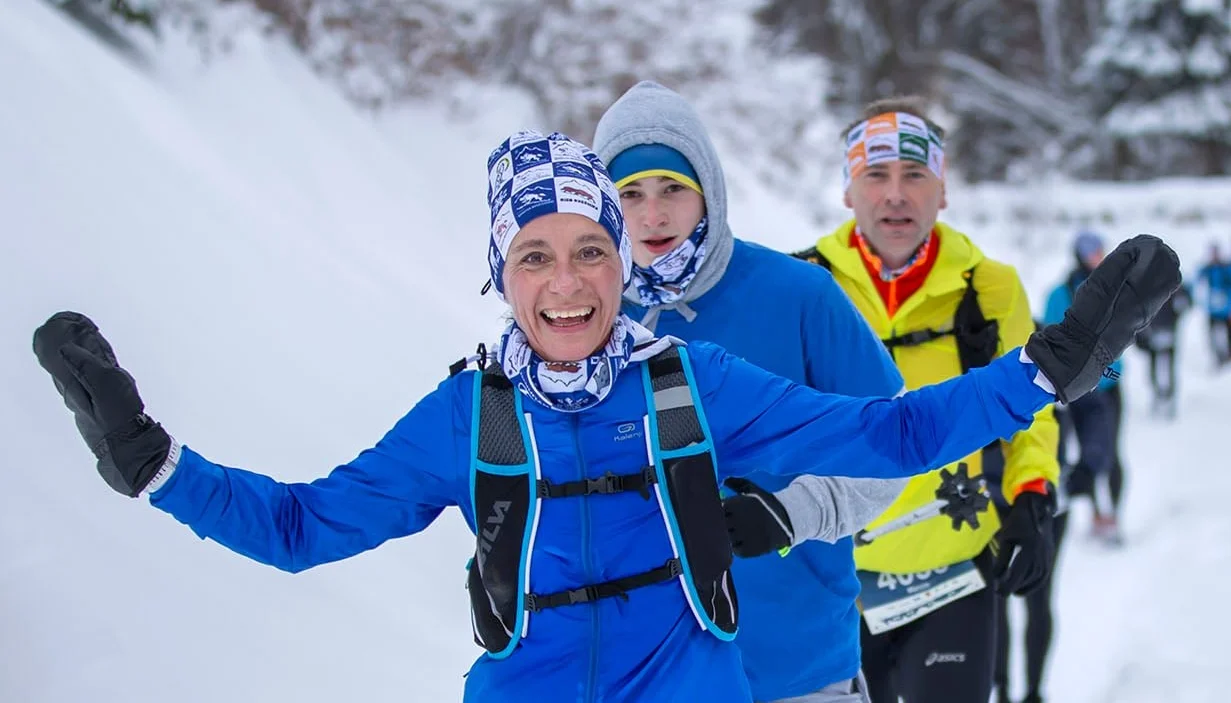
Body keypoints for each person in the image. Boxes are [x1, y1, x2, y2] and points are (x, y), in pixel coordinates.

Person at [32, 130, 1179, 703]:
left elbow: (889, 437)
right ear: (501, 272)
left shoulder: (689, 383)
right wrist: (156, 467)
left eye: (590, 249)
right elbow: (299, 529)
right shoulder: (465, 417)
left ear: (622, 264)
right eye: (535, 256)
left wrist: (1041, 372)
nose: (568, 282)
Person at [593, 80, 907, 703]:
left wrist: (793, 512)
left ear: (708, 189)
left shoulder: (801, 297)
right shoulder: (585, 322)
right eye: (629, 193)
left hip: (799, 669)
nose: (653, 215)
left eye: (672, 189)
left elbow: (894, 449)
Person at [788, 97, 1061, 703]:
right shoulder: (805, 286)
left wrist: (1034, 495)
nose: (895, 194)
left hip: (955, 569)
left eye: (915, 175)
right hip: (839, 581)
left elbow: (1033, 409)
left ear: (942, 190)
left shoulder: (989, 288)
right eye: (875, 175)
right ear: (847, 191)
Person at [988, 322, 1074, 703]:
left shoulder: (994, 367)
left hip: (1038, 498)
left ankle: (1028, 691)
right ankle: (1014, 691)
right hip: (1008, 500)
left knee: (1017, 598)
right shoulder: (1059, 370)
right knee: (1010, 598)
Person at [1044, 231, 1126, 546]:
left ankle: (1114, 515)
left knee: (1112, 452)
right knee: (1083, 455)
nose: (1098, 256)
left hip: (1111, 386)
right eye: (1091, 251)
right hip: (1078, 391)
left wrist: (1107, 372)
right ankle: (1095, 511)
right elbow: (1052, 336)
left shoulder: (1117, 291)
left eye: (1100, 250)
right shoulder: (1060, 293)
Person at [1133, 282, 1193, 418]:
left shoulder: (1174, 281)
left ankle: (1168, 398)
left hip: (1168, 332)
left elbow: (1185, 302)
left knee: (1167, 367)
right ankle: (1157, 395)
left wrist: (1181, 305)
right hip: (1151, 333)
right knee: (1154, 366)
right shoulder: (1144, 281)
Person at [1196, 242, 1231, 368]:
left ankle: (1227, 357)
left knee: (1227, 334)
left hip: (1226, 310)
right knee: (1213, 334)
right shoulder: (1207, 269)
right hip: (1212, 310)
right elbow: (1197, 282)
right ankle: (1217, 357)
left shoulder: (1226, 268)